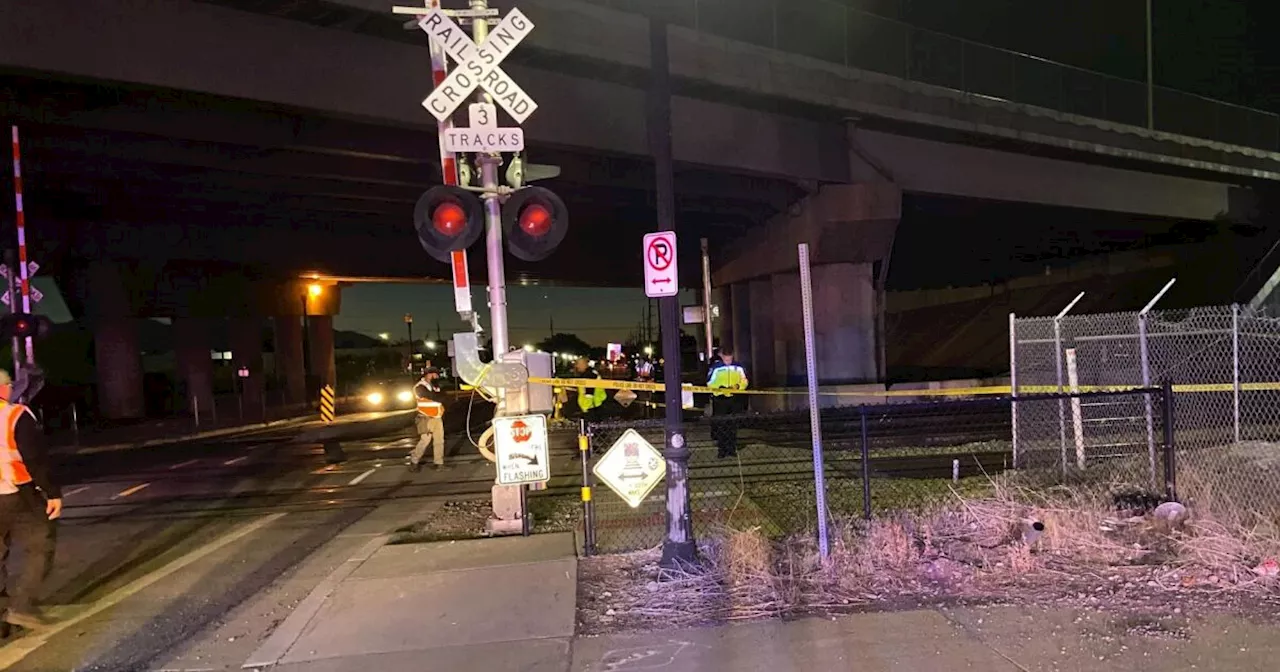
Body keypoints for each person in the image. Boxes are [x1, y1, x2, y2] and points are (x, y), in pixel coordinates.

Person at [0, 369, 60, 629]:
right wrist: (52, 492)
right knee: (40, 544)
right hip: (17, 493)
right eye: (10, 384)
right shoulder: (15, 415)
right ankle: (21, 606)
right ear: (3, 388)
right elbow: (34, 458)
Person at [707, 349, 748, 458]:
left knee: (732, 425)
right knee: (721, 425)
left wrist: (739, 387)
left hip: (734, 399)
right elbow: (710, 382)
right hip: (720, 399)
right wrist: (719, 388)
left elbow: (744, 381)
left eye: (730, 359)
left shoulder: (739, 367)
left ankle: (731, 449)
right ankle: (722, 450)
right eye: (726, 359)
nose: (728, 361)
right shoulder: (716, 368)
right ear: (722, 357)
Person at [406, 368, 446, 472]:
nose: (437, 377)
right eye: (435, 375)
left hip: (437, 417)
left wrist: (440, 396)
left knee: (439, 441)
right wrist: (439, 396)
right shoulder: (420, 386)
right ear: (428, 375)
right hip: (425, 418)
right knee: (425, 440)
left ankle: (439, 463)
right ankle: (414, 461)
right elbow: (432, 396)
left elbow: (442, 396)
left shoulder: (435, 386)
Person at [573, 358, 607, 423]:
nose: (577, 366)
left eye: (578, 364)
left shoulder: (587, 375)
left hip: (590, 406)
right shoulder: (592, 372)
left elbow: (589, 393)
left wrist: (587, 407)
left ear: (584, 364)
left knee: (590, 427)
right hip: (595, 404)